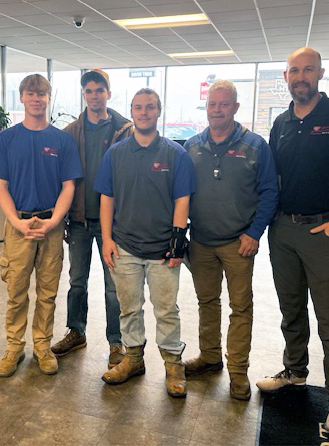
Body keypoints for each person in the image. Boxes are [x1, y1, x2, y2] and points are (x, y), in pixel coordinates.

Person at [256, 47, 329, 436]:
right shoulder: (281, 122)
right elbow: (272, 179)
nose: (300, 76)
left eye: (308, 69)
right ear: (286, 77)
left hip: (326, 231)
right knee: (291, 309)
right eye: (294, 70)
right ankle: (295, 371)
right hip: (284, 231)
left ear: (320, 73)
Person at [95, 88, 195, 398]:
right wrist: (108, 239)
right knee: (129, 308)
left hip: (163, 251)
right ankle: (133, 359)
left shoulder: (175, 154)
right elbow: (106, 199)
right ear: (132, 112)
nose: (143, 112)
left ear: (158, 111)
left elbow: (183, 199)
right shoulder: (116, 154)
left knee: (166, 310)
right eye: (138, 107)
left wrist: (178, 243)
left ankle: (173, 364)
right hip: (124, 246)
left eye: (149, 107)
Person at [183, 80, 278, 401]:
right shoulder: (192, 147)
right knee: (207, 303)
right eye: (212, 104)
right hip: (201, 242)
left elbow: (269, 192)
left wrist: (254, 233)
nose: (217, 110)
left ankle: (238, 372)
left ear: (236, 108)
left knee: (241, 308)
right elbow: (180, 194)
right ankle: (210, 358)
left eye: (224, 104)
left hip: (240, 244)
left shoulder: (255, 146)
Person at [0, 74, 82, 377]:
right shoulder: (5, 139)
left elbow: (69, 185)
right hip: (18, 223)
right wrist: (16, 222)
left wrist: (54, 221)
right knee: (16, 290)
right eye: (30, 93)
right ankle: (14, 346)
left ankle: (42, 346)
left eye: (41, 94)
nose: (36, 99)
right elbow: (0, 185)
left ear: (48, 98)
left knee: (48, 291)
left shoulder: (62, 141)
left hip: (51, 226)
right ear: (21, 98)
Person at [51, 69, 133, 368]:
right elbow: (62, 177)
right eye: (89, 91)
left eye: (100, 90)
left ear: (108, 93)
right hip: (79, 221)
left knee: (114, 287)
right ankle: (76, 331)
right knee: (76, 282)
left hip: (114, 225)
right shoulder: (71, 132)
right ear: (83, 95)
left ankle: (116, 342)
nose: (94, 95)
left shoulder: (126, 129)